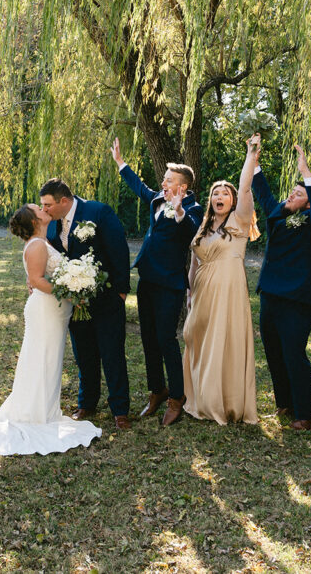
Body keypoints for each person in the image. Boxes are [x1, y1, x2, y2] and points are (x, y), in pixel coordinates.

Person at [0, 205, 102, 455]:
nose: (44, 208)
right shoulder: (36, 245)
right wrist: (71, 292)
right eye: (38, 208)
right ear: (35, 221)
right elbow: (36, 280)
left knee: (50, 360)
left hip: (54, 311)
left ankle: (45, 410)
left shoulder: (44, 241)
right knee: (41, 359)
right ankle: (33, 414)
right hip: (45, 311)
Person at [110, 138, 203, 426]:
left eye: (168, 179)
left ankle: (177, 397)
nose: (163, 183)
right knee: (148, 337)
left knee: (165, 339)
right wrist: (121, 164)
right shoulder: (156, 199)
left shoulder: (194, 208)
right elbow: (141, 188)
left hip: (170, 283)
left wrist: (178, 211)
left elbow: (191, 234)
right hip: (147, 278)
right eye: (164, 179)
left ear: (182, 187)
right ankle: (157, 390)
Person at [182, 135, 262, 425]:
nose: (220, 197)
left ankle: (224, 401)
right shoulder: (203, 226)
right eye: (216, 194)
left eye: (225, 194)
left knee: (224, 341)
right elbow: (194, 261)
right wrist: (190, 293)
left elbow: (245, 186)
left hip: (228, 290)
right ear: (210, 200)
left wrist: (250, 154)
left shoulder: (239, 220)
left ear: (233, 201)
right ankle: (201, 396)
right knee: (198, 339)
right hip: (202, 290)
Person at [252, 142, 311, 430]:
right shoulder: (280, 217)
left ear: (309, 202)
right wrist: (254, 162)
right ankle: (284, 404)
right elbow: (263, 195)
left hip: (298, 298)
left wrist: (307, 174)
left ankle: (304, 414)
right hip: (271, 294)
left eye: (298, 194)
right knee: (273, 351)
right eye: (292, 191)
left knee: (293, 353)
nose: (290, 195)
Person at [40, 178, 132, 429]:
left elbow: (119, 250)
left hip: (106, 297)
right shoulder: (51, 225)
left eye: (48, 205)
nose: (44, 210)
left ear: (64, 201)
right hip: (74, 303)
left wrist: (121, 292)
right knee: (84, 353)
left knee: (112, 353)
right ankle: (87, 403)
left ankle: (120, 409)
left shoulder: (98, 212)